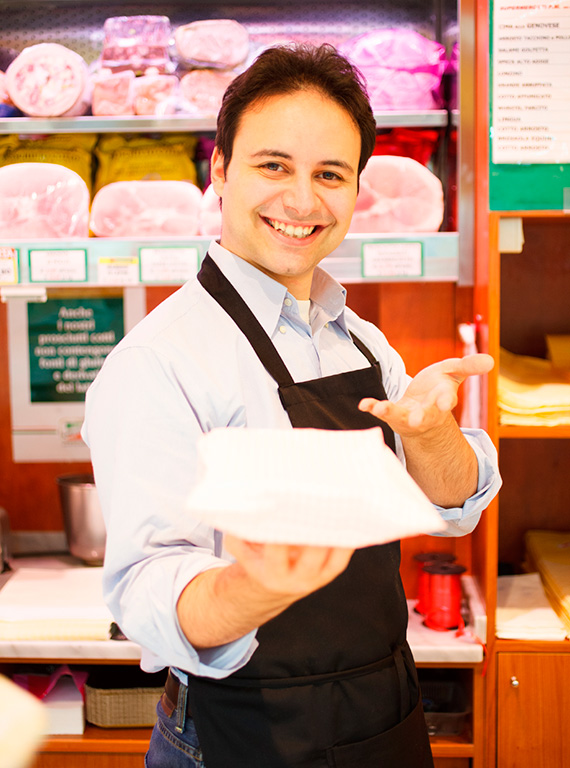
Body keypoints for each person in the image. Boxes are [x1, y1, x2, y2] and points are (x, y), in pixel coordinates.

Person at [82, 43, 501, 768]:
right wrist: (254, 587)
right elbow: (147, 590)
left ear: (354, 190)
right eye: (273, 166)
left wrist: (432, 434)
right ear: (219, 171)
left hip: (383, 714)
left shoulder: (364, 342)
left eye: (329, 175)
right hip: (242, 733)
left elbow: (456, 500)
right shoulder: (159, 360)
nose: (302, 201)